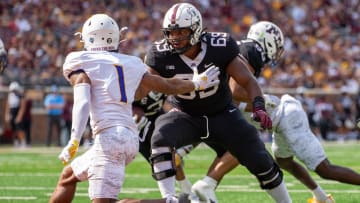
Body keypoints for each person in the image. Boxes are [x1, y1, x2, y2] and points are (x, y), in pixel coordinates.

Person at [49, 13, 219, 203]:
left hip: (109, 140)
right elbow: (166, 84)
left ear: (87, 37)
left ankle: (175, 202)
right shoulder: (131, 62)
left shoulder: (79, 60)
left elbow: (82, 98)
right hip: (129, 137)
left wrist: (74, 139)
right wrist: (196, 83)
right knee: (68, 177)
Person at [192, 21, 360, 203]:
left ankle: (206, 184)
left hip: (285, 115)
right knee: (284, 162)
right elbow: (236, 92)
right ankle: (321, 198)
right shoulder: (250, 50)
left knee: (325, 170)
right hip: (279, 116)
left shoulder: (246, 50)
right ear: (268, 40)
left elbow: (236, 93)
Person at [145, 3, 291, 203]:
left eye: (181, 31)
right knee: (160, 137)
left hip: (222, 113)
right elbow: (149, 83)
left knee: (260, 157)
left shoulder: (219, 46)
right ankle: (169, 199)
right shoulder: (159, 54)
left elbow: (248, 81)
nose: (175, 37)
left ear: (196, 29)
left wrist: (258, 106)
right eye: (171, 32)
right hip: (185, 114)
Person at [4, 81, 27, 148]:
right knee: (13, 129)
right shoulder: (10, 95)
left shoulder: (20, 96)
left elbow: (22, 107)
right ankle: (16, 142)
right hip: (12, 112)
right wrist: (7, 114)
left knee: (19, 128)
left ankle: (23, 142)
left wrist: (19, 116)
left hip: (17, 112)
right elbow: (8, 105)